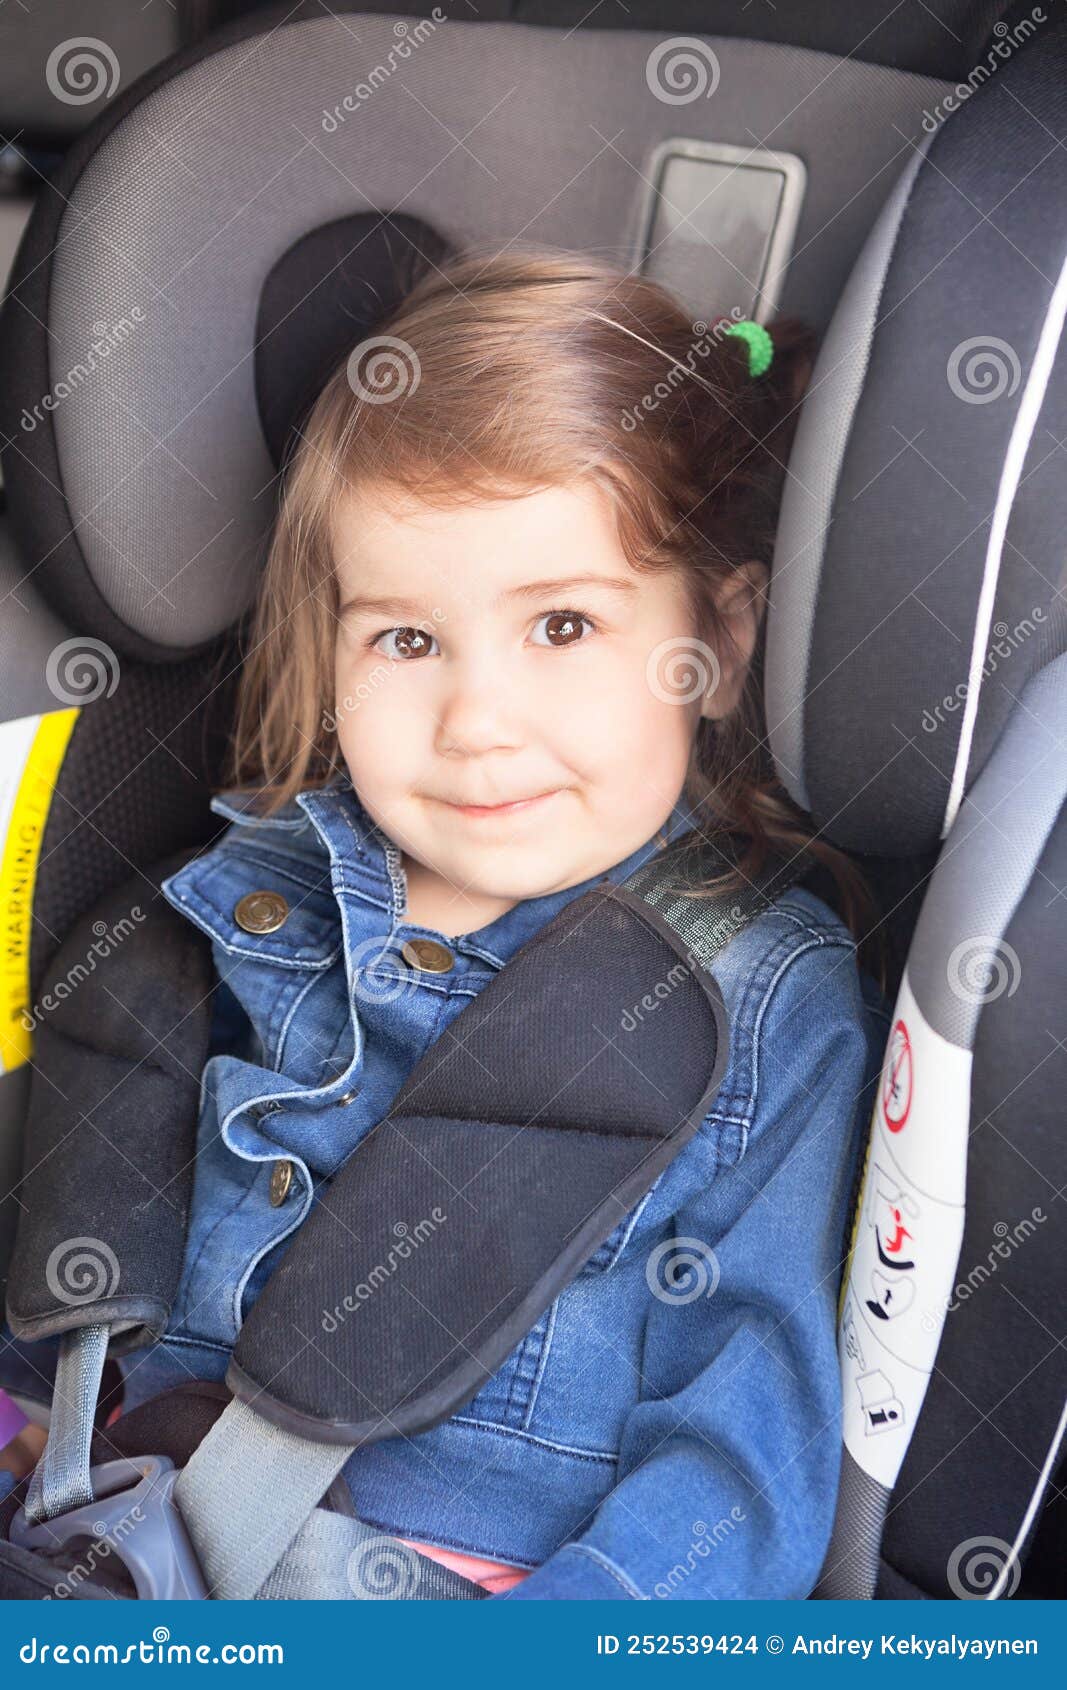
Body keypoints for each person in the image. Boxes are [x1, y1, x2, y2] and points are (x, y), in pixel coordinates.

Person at [7, 248, 890, 1599]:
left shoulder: (757, 996)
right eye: (407, 641)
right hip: (108, 1539)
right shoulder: (237, 894)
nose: (477, 720)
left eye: (563, 626)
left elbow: (745, 1457)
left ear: (714, 639)